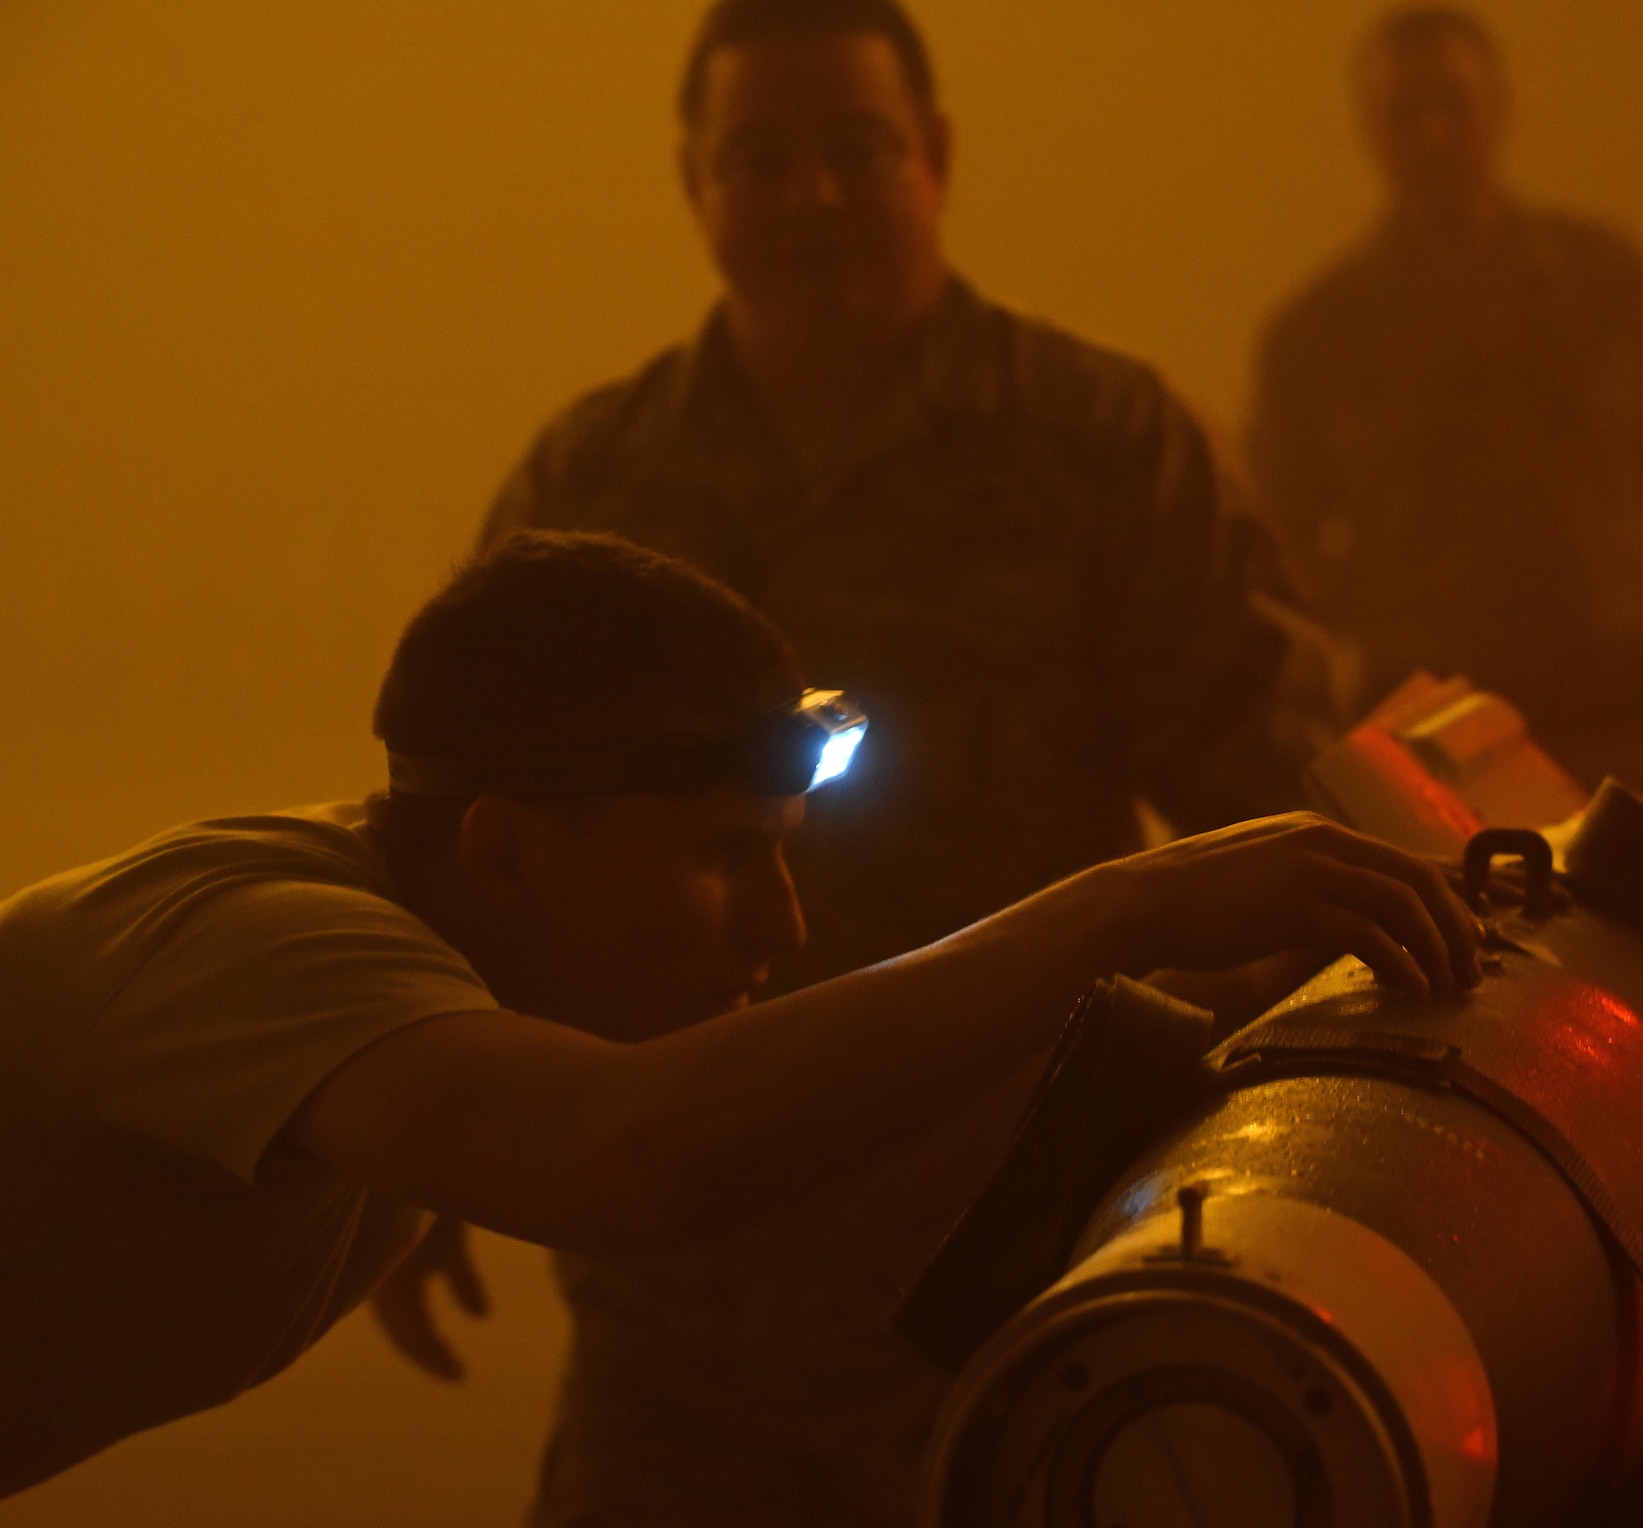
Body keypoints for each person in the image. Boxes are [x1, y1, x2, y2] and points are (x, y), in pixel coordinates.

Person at [0, 531, 1479, 1501]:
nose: (783, 922)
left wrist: (1237, 1013)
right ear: (507, 850)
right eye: (727, 857)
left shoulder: (428, 964)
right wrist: (1123, 908)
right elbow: (643, 1157)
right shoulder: (251, 947)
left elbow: (814, 1158)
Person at [448, 2, 1350, 1522]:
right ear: (695, 183)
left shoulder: (1106, 447)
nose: (810, 199)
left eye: (856, 151)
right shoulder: (592, 488)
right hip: (679, 1322)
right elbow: (469, 864)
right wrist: (415, 1166)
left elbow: (1277, 838)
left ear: (933, 157)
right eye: (761, 160)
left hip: (1023, 1302)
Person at [1245, 5, 1643, 801]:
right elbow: (1277, 571)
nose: (1434, 134)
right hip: (1432, 758)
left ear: (1500, 111)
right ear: (1367, 129)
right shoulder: (1317, 339)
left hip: (1625, 728)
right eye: (1406, 114)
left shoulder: (1605, 289)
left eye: (1454, 106)